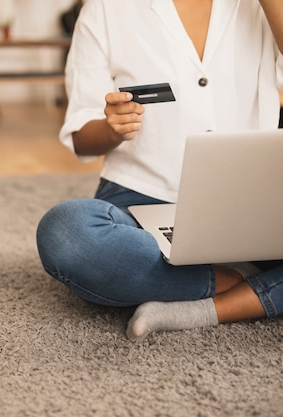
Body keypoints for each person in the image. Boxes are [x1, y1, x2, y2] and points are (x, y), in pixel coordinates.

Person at [36, 0, 283, 342]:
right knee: (66, 234)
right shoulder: (107, 8)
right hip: (140, 202)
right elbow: (81, 137)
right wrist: (111, 129)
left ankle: (207, 306)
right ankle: (239, 278)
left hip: (247, 205)